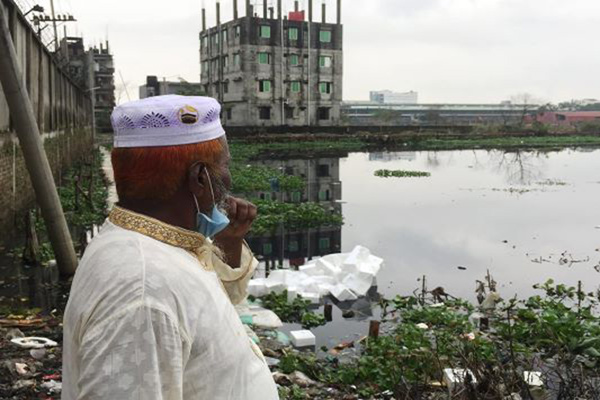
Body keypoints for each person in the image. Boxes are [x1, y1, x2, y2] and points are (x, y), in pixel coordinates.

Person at [62, 95, 279, 399]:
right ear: (200, 178)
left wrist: (227, 243)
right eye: (225, 165)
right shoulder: (142, 288)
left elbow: (200, 309)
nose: (229, 177)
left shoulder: (153, 243)